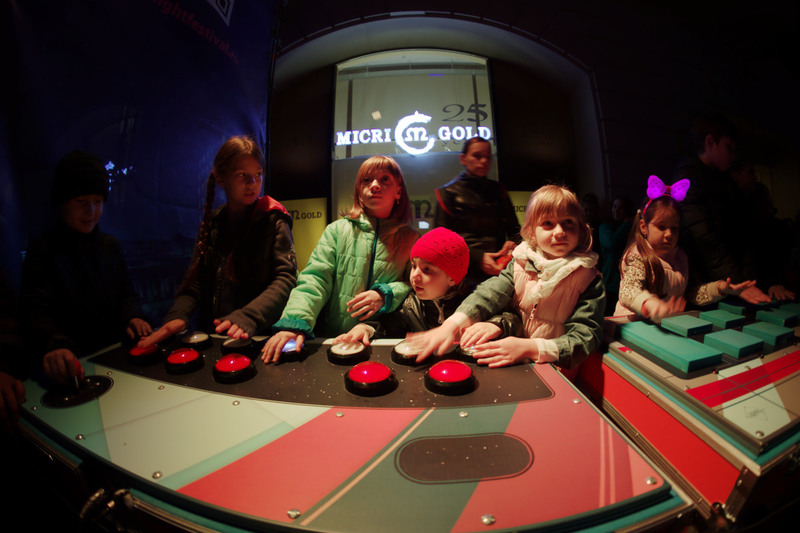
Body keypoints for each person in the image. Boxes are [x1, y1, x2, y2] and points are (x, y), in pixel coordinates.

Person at [406, 184, 606, 379]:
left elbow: (584, 337)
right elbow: (489, 294)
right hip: (515, 362)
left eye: (568, 222)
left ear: (581, 228)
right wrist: (451, 326)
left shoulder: (588, 278)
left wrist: (528, 348)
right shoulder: (519, 264)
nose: (560, 231)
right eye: (548, 223)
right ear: (531, 232)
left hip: (558, 372)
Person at [138, 136, 297, 348]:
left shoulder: (273, 219)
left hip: (257, 337)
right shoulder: (213, 223)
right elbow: (195, 282)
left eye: (258, 174)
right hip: (214, 335)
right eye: (242, 175)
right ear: (221, 178)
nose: (253, 183)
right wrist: (176, 317)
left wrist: (250, 316)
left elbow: (286, 278)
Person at [261, 155, 418, 363]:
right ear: (358, 191)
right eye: (366, 180)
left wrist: (386, 294)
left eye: (385, 179)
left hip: (384, 341)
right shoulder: (337, 230)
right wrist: (294, 322)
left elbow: (415, 286)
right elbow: (315, 279)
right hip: (336, 340)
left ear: (398, 190)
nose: (375, 185)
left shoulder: (412, 239)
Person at [20, 151, 152, 384]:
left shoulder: (110, 246)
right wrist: (54, 344)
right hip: (72, 367)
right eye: (81, 202)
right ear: (62, 201)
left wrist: (132, 316)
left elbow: (126, 293)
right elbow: (36, 311)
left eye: (98, 201)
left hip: (116, 359)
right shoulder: (43, 251)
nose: (91, 211)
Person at [333, 227, 520, 344]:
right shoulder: (410, 305)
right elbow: (387, 326)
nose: (415, 275)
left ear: (452, 277)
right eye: (414, 266)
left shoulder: (473, 300)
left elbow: (512, 318)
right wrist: (367, 328)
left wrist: (496, 325)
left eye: (427, 269)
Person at [614, 177, 757, 319]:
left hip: (663, 323)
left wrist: (720, 288)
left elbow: (691, 294)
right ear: (643, 227)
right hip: (631, 323)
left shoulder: (680, 257)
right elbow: (628, 291)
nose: (669, 234)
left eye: (674, 228)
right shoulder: (637, 255)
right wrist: (652, 305)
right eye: (661, 227)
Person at [675, 112, 773, 303]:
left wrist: (747, 281)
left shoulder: (723, 180)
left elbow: (743, 235)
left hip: (730, 282)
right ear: (710, 142)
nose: (733, 155)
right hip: (709, 289)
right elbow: (703, 238)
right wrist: (737, 284)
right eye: (729, 147)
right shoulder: (689, 180)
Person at [434, 137, 520, 289]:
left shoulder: (498, 190)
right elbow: (440, 242)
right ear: (463, 158)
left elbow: (515, 231)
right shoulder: (447, 193)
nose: (484, 161)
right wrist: (478, 258)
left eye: (487, 157)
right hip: (462, 276)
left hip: (499, 270)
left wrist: (512, 244)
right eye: (477, 156)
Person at [599, 195, 634, 313]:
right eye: (614, 207)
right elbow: (611, 243)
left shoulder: (633, 230)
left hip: (626, 281)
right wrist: (626, 224)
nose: (616, 210)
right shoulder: (604, 227)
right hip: (609, 282)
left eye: (621, 207)